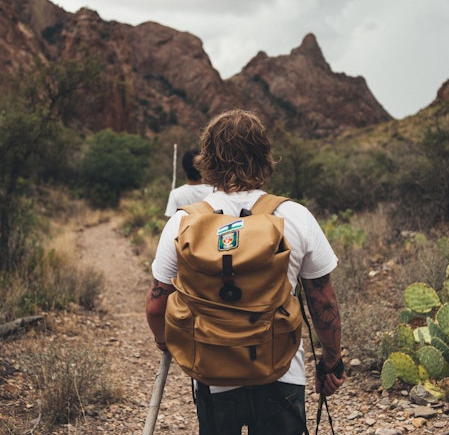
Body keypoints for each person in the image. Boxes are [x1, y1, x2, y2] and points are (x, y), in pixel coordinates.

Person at [145, 109, 345, 435]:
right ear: (265, 157)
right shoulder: (294, 216)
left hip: (212, 375)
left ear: (207, 159)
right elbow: (322, 301)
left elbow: (156, 305)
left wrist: (165, 340)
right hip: (281, 374)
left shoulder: (182, 223)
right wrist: (331, 360)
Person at [164, 149, 214, 217]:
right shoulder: (213, 191)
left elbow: (171, 224)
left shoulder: (176, 194)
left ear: (184, 169)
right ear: (203, 167)